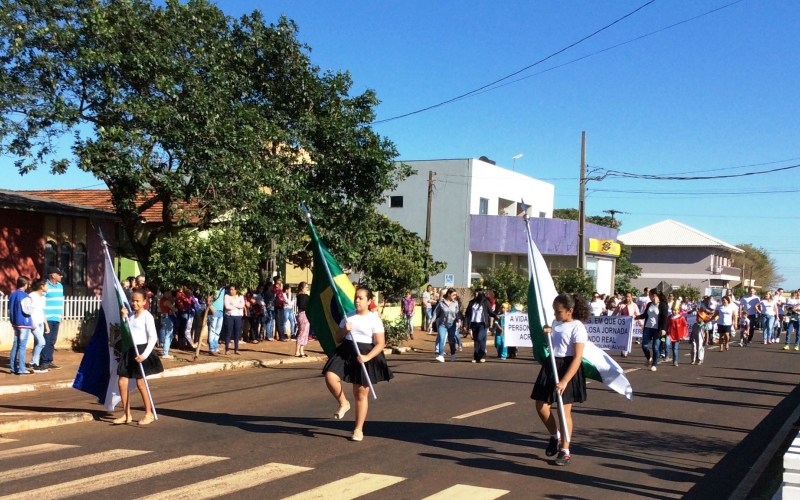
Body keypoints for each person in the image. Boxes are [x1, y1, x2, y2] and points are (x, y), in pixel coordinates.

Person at [322, 286, 393, 442]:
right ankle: (343, 403)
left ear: (369, 301)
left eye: (361, 298)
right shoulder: (348, 316)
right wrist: (345, 330)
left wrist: (368, 357)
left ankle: (358, 429)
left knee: (360, 394)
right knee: (330, 376)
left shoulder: (374, 319)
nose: (357, 300)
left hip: (365, 352)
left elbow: (380, 344)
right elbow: (338, 338)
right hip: (346, 350)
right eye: (356, 297)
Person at [532, 293, 589, 467]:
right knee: (541, 406)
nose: (555, 315)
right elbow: (551, 341)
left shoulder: (577, 327)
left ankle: (565, 450)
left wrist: (564, 381)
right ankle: (555, 436)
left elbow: (578, 357)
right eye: (554, 311)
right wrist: (547, 332)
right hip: (552, 364)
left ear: (570, 311)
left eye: (558, 312)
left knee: (563, 412)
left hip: (568, 366)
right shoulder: (556, 322)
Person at [113, 289, 164, 425]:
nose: (134, 303)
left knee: (141, 383)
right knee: (122, 382)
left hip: (141, 350)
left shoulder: (147, 316)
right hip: (130, 350)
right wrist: (123, 316)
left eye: (137, 301)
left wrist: (144, 355)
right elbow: (126, 330)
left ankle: (149, 413)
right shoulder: (130, 316)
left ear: (144, 302)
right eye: (133, 300)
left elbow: (153, 337)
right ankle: (126, 414)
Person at [636, 289, 668, 371]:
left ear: (654, 295)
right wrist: (638, 317)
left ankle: (654, 364)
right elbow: (645, 314)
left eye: (650, 295)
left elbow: (664, 318)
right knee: (644, 346)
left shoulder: (662, 305)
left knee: (655, 347)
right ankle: (648, 357)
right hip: (648, 327)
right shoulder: (649, 304)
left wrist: (663, 329)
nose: (649, 296)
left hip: (657, 329)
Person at [9, 276, 34, 375]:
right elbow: (27, 310)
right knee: (22, 346)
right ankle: (22, 368)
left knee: (15, 345)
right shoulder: (24, 296)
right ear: (25, 284)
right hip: (24, 322)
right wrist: (32, 305)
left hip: (15, 322)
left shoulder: (12, 294)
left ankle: (13, 367)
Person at [428, 288, 460, 362]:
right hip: (442, 324)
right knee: (442, 339)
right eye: (453, 295)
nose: (455, 296)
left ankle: (452, 354)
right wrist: (431, 322)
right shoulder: (441, 303)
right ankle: (441, 355)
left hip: (452, 324)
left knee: (451, 340)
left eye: (455, 295)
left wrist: (459, 321)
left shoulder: (455, 303)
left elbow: (457, 313)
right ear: (449, 294)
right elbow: (435, 313)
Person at [465, 289, 496, 363]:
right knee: (476, 341)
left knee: (480, 338)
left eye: (477, 294)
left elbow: (490, 312)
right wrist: (465, 324)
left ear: (480, 294)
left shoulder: (485, 302)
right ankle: (476, 357)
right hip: (474, 323)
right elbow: (467, 314)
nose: (475, 295)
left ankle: (482, 355)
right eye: (475, 294)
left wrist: (496, 315)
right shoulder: (471, 303)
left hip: (482, 324)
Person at [27, 279, 50, 373]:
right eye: (46, 285)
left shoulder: (43, 297)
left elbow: (42, 311)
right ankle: (33, 362)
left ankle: (35, 364)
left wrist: (46, 324)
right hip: (34, 323)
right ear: (41, 286)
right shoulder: (32, 296)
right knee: (42, 342)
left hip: (41, 323)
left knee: (38, 343)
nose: (47, 287)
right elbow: (28, 310)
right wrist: (31, 321)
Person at [613, 292, 640, 358]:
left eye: (629, 297)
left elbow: (638, 315)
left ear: (631, 297)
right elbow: (615, 313)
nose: (627, 298)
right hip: (621, 324)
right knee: (622, 337)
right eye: (626, 296)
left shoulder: (634, 305)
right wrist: (610, 320)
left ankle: (625, 351)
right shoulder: (620, 304)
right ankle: (623, 349)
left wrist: (641, 324)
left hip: (630, 324)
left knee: (628, 338)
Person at [223, 285, 245, 355]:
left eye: (232, 290)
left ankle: (236, 349)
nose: (231, 291)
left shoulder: (240, 296)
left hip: (238, 316)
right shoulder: (227, 296)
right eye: (230, 289)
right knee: (228, 332)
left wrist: (233, 304)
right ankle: (227, 349)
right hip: (230, 316)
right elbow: (227, 306)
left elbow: (242, 305)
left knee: (237, 332)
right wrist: (237, 305)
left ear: (236, 290)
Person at [666, 300, 687, 366]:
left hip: (677, 335)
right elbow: (667, 325)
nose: (674, 311)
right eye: (673, 310)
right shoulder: (670, 317)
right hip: (670, 334)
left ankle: (675, 361)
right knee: (667, 343)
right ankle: (666, 355)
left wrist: (684, 335)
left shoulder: (681, 318)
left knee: (675, 349)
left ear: (678, 310)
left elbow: (685, 326)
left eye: (676, 310)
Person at [158, 289, 178, 359]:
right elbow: (174, 309)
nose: (170, 294)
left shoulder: (162, 300)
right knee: (169, 334)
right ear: (165, 292)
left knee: (169, 334)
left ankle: (166, 351)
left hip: (163, 316)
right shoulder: (166, 301)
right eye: (169, 292)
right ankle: (165, 352)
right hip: (167, 317)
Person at [206, 286, 226, 355]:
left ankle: (216, 347)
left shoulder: (223, 289)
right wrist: (212, 310)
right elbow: (208, 300)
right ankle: (211, 348)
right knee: (212, 330)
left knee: (218, 331)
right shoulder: (212, 288)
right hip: (213, 312)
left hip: (220, 312)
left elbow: (223, 299)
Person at [294, 282, 310, 357]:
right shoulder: (301, 296)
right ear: (302, 288)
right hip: (303, 314)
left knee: (305, 333)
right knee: (302, 332)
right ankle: (297, 351)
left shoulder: (305, 296)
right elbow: (302, 306)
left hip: (306, 315)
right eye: (306, 287)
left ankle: (302, 351)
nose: (307, 288)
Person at [271, 277, 288, 341]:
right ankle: (281, 336)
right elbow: (276, 297)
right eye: (279, 280)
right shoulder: (274, 288)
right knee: (278, 321)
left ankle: (282, 335)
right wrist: (281, 301)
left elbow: (281, 296)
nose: (281, 281)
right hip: (277, 305)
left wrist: (284, 301)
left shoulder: (280, 287)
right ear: (276, 280)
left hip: (281, 305)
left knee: (282, 321)